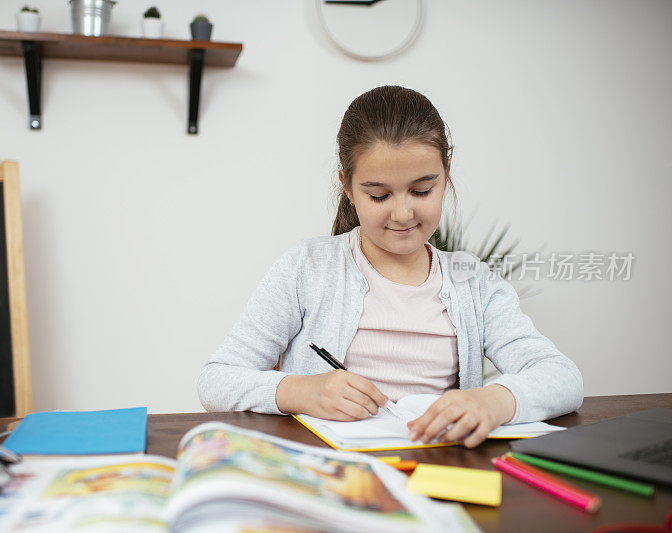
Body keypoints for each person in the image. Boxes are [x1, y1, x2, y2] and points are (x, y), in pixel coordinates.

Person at [197, 86, 583, 448]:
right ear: (347, 186)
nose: (403, 213)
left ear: (446, 174)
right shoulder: (307, 268)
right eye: (379, 195)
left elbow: (563, 377)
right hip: (328, 466)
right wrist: (301, 391)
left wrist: (496, 400)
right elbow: (216, 379)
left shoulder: (474, 282)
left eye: (422, 191)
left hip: (435, 466)